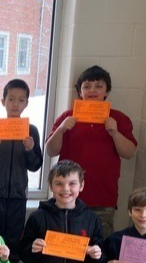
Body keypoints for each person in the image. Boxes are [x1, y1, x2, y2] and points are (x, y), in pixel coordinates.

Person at [44, 65, 137, 240]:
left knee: (98, 249)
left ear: (107, 91)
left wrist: (115, 133)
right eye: (87, 86)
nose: (92, 90)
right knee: (66, 246)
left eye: (99, 86)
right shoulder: (68, 116)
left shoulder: (119, 119)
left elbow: (130, 153)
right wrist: (61, 130)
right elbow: (51, 150)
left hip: (103, 199)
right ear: (80, 92)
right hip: (67, 195)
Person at [0, 78, 43, 263]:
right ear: (3, 101)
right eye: (11, 99)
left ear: (27, 103)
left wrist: (30, 149)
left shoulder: (31, 131)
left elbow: (36, 165)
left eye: (20, 100)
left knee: (14, 238)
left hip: (18, 195)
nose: (15, 104)